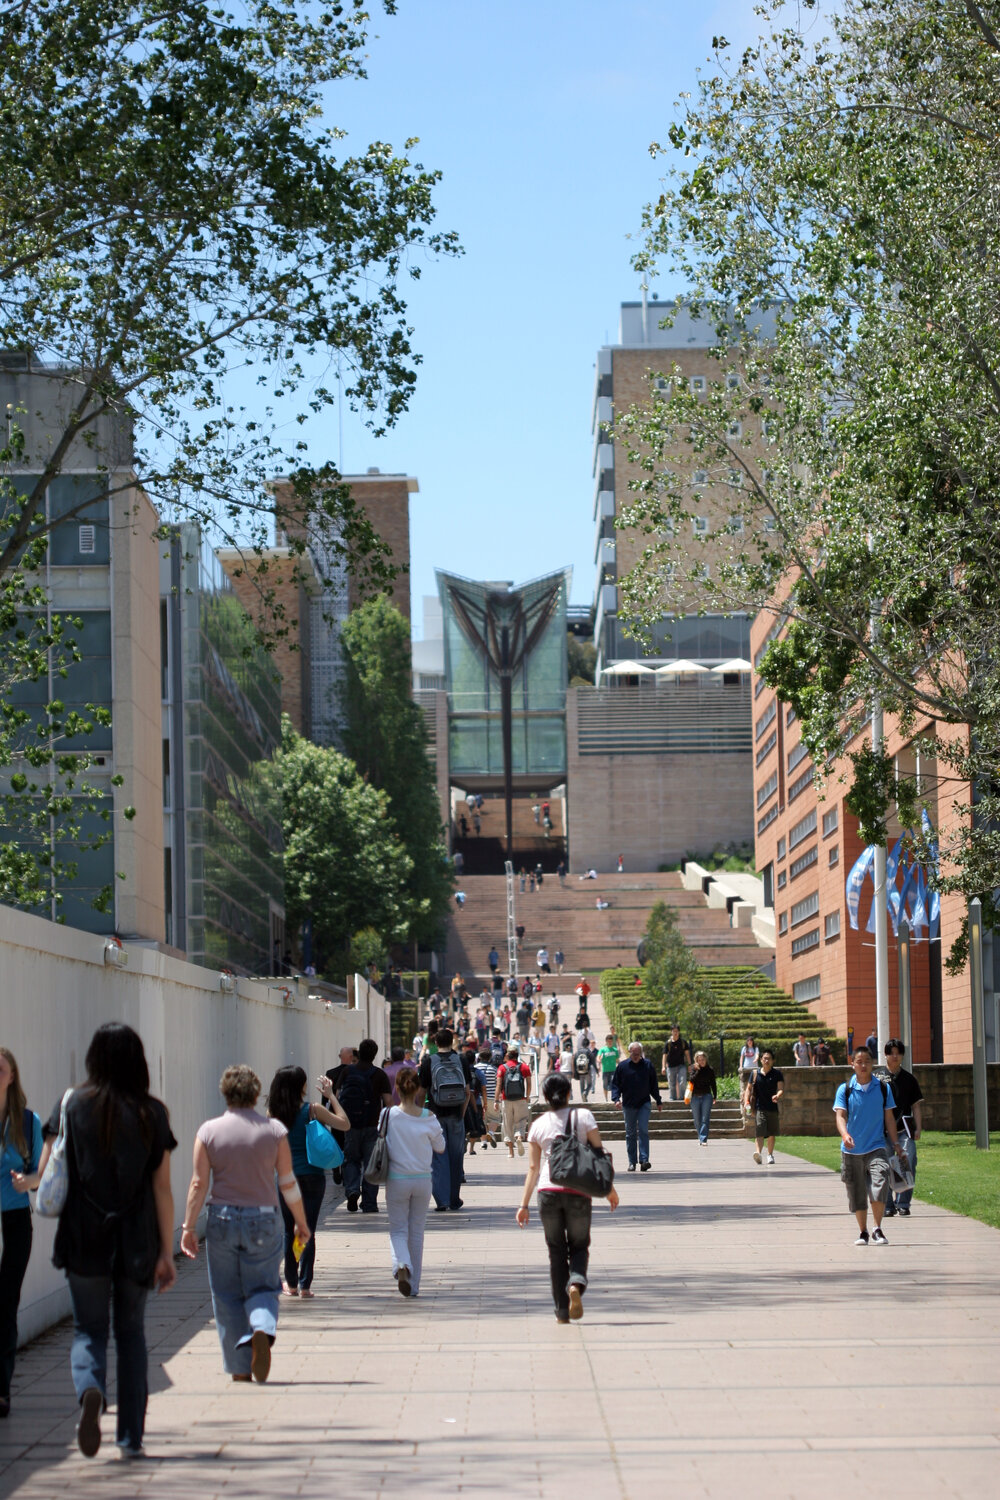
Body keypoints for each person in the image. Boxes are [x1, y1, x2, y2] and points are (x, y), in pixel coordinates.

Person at [42, 1023, 177, 1457]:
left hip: (83, 1237)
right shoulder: (152, 1112)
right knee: (131, 1334)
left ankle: (90, 1389)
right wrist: (166, 1251)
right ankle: (130, 1438)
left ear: (93, 1059)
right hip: (136, 1241)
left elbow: (50, 1169)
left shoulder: (72, 1105)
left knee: (88, 1329)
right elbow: (161, 1188)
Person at [182, 1064, 309, 1386]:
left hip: (222, 1218)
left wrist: (188, 1227)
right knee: (263, 1286)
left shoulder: (208, 1132)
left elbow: (198, 1184)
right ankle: (262, 1327)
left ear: (225, 1093)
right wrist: (300, 1221)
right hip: (263, 1218)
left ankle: (240, 1368)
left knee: (226, 1294)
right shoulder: (274, 1131)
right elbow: (287, 1182)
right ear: (255, 1094)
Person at [516, 1073, 619, 1322]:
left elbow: (533, 1169)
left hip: (547, 1192)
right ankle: (576, 1283)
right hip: (579, 1191)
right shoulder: (583, 1116)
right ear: (569, 1093)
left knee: (556, 1252)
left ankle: (562, 1312)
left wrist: (523, 1205)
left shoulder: (538, 1125)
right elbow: (598, 1154)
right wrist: (609, 1189)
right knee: (579, 1245)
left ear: (545, 1097)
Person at [266, 1066, 350, 1298]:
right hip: (312, 1175)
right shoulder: (312, 1109)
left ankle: (291, 1283)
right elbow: (344, 1124)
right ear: (301, 1086)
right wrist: (331, 1096)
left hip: (286, 1178)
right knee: (307, 1230)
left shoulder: (272, 1113)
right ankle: (305, 1285)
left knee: (289, 1230)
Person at [0, 1049, 44, 1418]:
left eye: (0, 1070)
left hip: (14, 1220)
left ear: (12, 1076)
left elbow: (41, 1175)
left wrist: (26, 1181)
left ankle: (2, 1390)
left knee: (6, 1304)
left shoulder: (28, 1122)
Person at [833, 1047, 907, 1245]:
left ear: (873, 1063)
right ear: (852, 1064)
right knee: (857, 1194)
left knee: (880, 1183)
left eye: (867, 1061)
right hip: (851, 1150)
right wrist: (845, 1134)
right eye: (859, 1061)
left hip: (876, 1147)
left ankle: (877, 1229)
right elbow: (840, 1116)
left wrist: (896, 1144)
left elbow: (889, 1119)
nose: (863, 1065)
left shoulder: (883, 1088)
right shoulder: (845, 1089)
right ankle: (863, 1232)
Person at [383, 1067, 445, 1298]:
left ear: (397, 1089)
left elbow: (381, 1139)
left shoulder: (388, 1115)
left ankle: (401, 1264)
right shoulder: (429, 1117)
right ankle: (414, 1285)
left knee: (398, 1229)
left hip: (396, 1180)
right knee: (416, 1232)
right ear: (418, 1089)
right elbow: (440, 1147)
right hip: (422, 1180)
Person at [417, 1028, 472, 1212]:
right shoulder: (461, 1060)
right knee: (456, 1157)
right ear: (452, 1041)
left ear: (436, 1042)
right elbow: (467, 1092)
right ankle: (454, 1199)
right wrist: (462, 1113)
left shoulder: (428, 1061)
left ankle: (442, 1200)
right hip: (456, 1115)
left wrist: (420, 1114)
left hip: (435, 1116)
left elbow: (422, 1092)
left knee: (438, 1157)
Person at [338, 1039, 393, 1215]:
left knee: (351, 1159)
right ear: (375, 1055)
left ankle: (352, 1190)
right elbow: (388, 1102)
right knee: (371, 1164)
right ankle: (369, 1203)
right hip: (372, 1125)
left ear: (359, 1053)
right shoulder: (379, 1074)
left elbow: (338, 1096)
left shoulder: (347, 1071)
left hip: (351, 1124)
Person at [882, 1038, 923, 1216]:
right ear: (885, 1055)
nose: (895, 1056)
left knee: (908, 1160)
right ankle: (887, 1205)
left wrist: (918, 1128)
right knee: (883, 1165)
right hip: (882, 1132)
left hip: (904, 1130)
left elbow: (916, 1106)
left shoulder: (909, 1079)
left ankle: (903, 1203)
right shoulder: (877, 1078)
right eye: (891, 1053)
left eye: (898, 1053)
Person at [610, 1041, 662, 1172]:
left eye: (638, 1054)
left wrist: (658, 1100)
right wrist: (616, 1099)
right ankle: (632, 1162)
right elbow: (615, 1084)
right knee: (630, 1133)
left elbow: (653, 1085)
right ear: (629, 1052)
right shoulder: (622, 1066)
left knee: (643, 1130)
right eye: (634, 1054)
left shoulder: (647, 1065)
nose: (636, 1056)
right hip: (628, 1104)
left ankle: (644, 1160)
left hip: (644, 1102)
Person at [744, 1049, 784, 1164]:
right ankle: (758, 1154)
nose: (766, 1060)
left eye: (769, 1059)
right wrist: (746, 1101)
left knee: (771, 1133)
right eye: (764, 1058)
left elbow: (781, 1088)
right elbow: (748, 1089)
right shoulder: (755, 1073)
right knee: (759, 1132)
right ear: (761, 1060)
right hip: (759, 1107)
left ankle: (770, 1155)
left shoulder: (777, 1074)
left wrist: (777, 1095)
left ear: (773, 1061)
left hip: (772, 1107)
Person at [495, 1046, 532, 1157]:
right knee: (521, 1121)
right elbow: (529, 1084)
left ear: (507, 1055)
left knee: (508, 1124)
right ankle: (519, 1137)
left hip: (506, 1099)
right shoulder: (524, 1067)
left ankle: (511, 1152)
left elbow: (498, 1085)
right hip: (520, 1098)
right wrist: (527, 1096)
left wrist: (496, 1100)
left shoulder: (502, 1067)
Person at [688, 1051, 717, 1144]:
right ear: (696, 1061)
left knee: (705, 1119)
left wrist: (715, 1096)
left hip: (706, 1096)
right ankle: (700, 1136)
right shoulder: (693, 1069)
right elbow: (691, 1080)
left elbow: (713, 1083)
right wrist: (697, 1070)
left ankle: (703, 1139)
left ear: (706, 1059)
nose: (701, 1061)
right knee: (697, 1120)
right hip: (695, 1097)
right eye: (699, 1060)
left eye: (703, 1059)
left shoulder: (710, 1070)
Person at [662, 1025, 691, 1100]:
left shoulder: (683, 1042)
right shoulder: (668, 1043)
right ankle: (672, 1098)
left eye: (677, 1031)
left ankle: (682, 1098)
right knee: (672, 1084)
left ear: (679, 1032)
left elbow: (687, 1054)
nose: (675, 1033)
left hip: (681, 1065)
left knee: (682, 1082)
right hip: (671, 1066)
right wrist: (663, 1067)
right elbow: (664, 1055)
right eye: (674, 1031)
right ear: (671, 1032)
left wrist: (689, 1064)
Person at [598, 1035, 620, 1099]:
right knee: (605, 1086)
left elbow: (617, 1060)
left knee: (613, 1083)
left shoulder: (615, 1050)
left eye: (611, 1041)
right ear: (606, 1041)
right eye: (608, 1041)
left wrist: (621, 1066)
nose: (610, 1042)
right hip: (605, 1070)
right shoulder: (603, 1049)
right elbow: (598, 1057)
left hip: (613, 1070)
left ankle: (613, 1097)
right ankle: (606, 1098)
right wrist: (599, 1060)